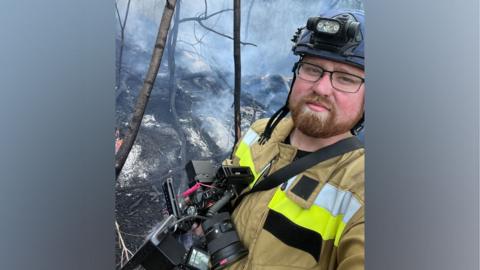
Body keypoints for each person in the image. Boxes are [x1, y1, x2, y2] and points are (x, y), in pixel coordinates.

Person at [226, 9, 365, 270]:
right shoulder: (259, 132)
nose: (321, 88)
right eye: (312, 69)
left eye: (346, 79)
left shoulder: (360, 187)